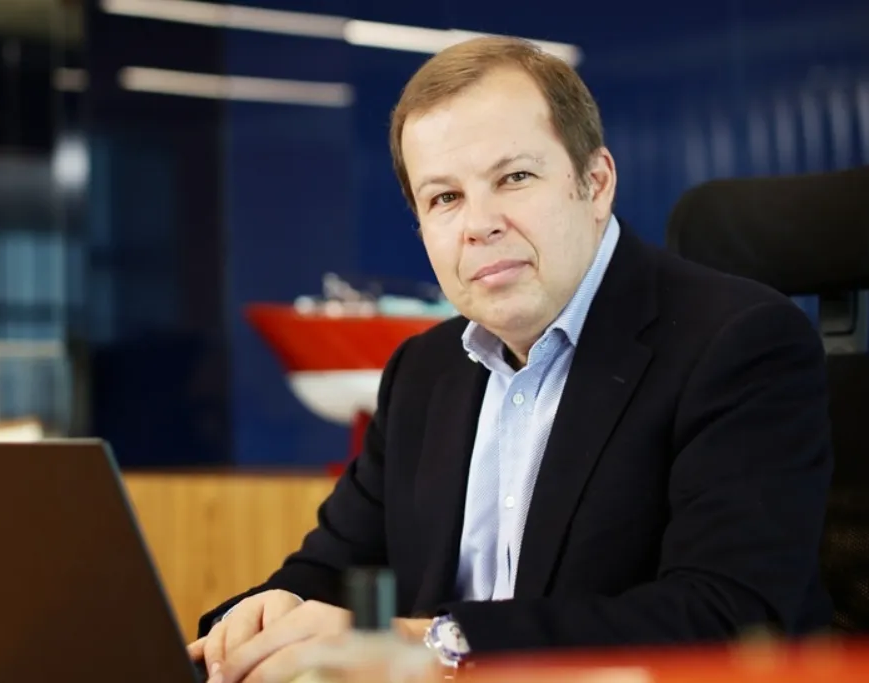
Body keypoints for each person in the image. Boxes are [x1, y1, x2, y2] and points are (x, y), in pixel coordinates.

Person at [187, 35, 834, 683]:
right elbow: (331, 570)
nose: (480, 224)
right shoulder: (423, 371)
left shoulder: (740, 343)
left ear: (595, 182)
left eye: (514, 178)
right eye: (444, 198)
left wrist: (429, 642)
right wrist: (264, 615)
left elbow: (725, 617)